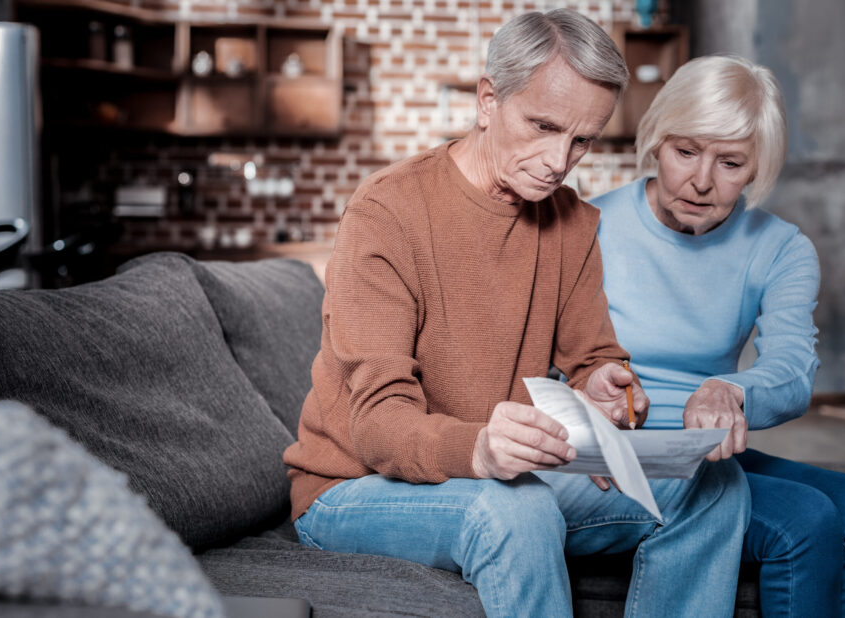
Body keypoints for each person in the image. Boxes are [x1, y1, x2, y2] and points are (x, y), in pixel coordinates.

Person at [283, 10, 750, 617]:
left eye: (581, 140)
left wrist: (608, 389)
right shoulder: (387, 212)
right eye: (543, 126)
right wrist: (480, 450)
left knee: (712, 486)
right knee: (515, 507)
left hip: (499, 471)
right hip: (354, 487)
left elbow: (597, 360)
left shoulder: (570, 221)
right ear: (488, 100)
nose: (558, 160)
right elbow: (377, 424)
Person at [592, 54, 845, 617]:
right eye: (685, 152)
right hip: (621, 450)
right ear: (657, 141)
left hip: (708, 452)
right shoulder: (588, 227)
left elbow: (792, 367)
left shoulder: (781, 247)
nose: (701, 181)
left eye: (731, 162)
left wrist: (730, 389)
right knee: (805, 519)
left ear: (757, 167)